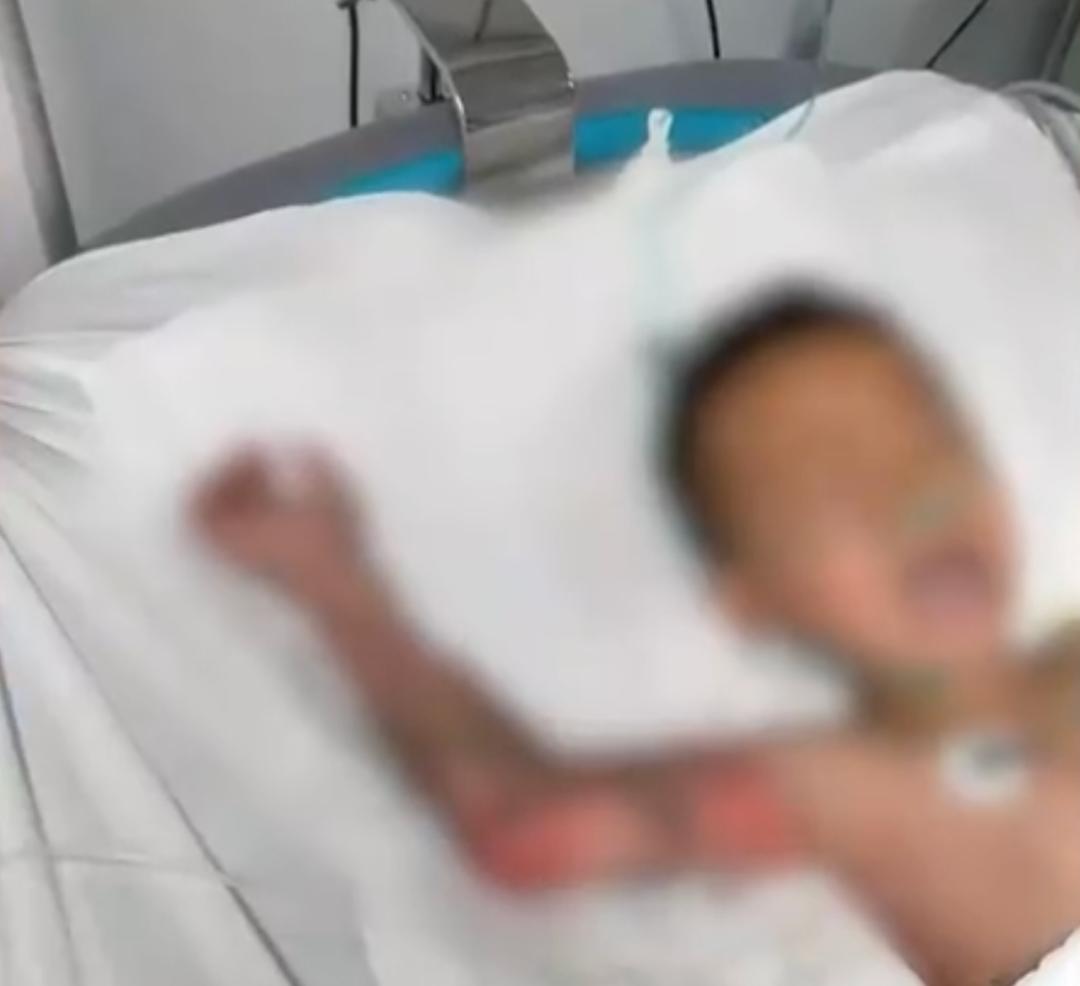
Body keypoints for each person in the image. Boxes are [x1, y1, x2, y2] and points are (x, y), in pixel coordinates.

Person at [193, 291, 1080, 986]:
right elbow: (525, 825)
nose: (910, 497)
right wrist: (337, 584)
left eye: (932, 444)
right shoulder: (849, 784)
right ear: (754, 600)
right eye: (827, 487)